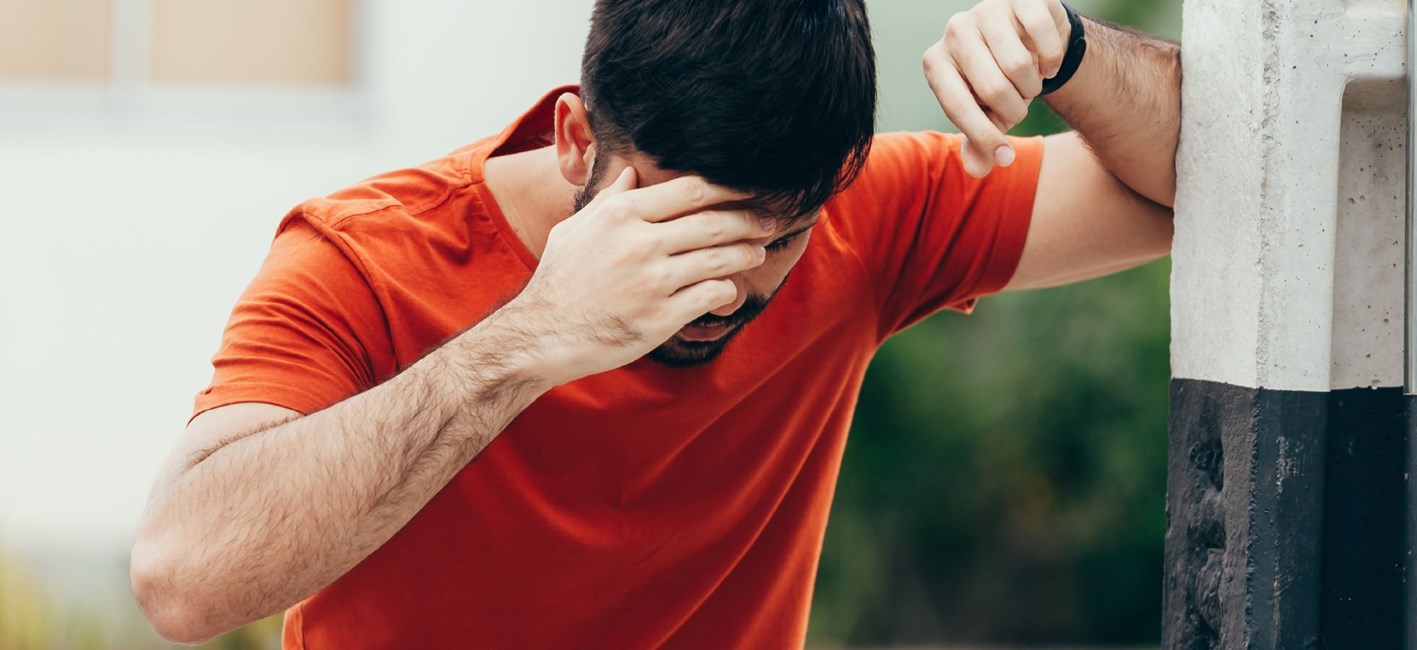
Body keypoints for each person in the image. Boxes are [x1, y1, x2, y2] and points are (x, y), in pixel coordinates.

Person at [131, 0, 1178, 646]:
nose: (724, 288)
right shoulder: (365, 252)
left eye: (774, 240)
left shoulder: (868, 215)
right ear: (578, 141)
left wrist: (1071, 51)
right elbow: (181, 576)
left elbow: (1228, 184)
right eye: (685, 230)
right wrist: (529, 337)